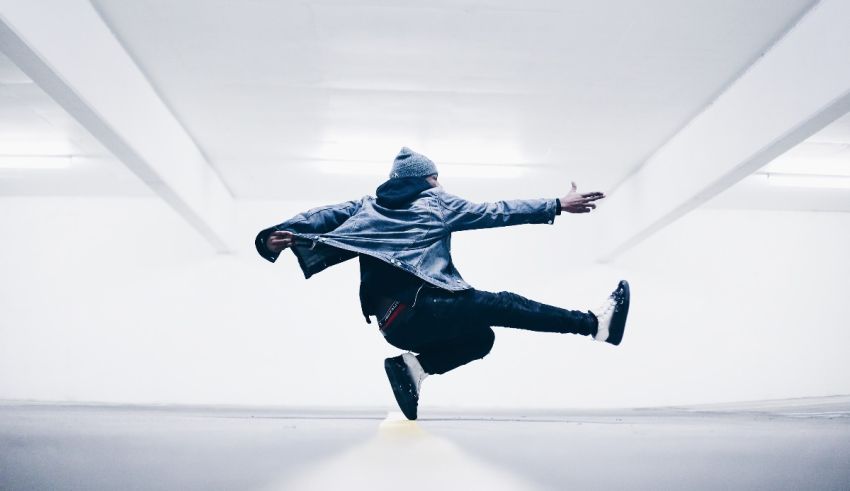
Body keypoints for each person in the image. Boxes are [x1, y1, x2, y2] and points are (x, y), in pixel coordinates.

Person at [255, 147, 630, 420]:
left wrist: (272, 235)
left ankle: (411, 369)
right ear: (427, 178)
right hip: (423, 309)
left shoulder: (365, 206)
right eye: (436, 177)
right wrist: (556, 204)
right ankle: (594, 324)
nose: (439, 182)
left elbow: (320, 216)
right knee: (499, 303)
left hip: (395, 326)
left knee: (481, 338)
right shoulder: (436, 201)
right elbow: (494, 211)